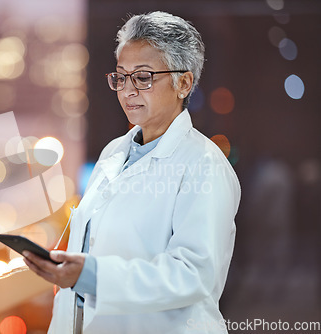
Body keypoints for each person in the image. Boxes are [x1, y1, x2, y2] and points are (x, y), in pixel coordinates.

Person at [23, 11, 241, 334]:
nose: (127, 91)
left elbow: (192, 274)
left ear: (183, 83)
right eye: (121, 77)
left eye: (143, 77)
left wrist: (91, 276)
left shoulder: (204, 165)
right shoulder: (113, 154)